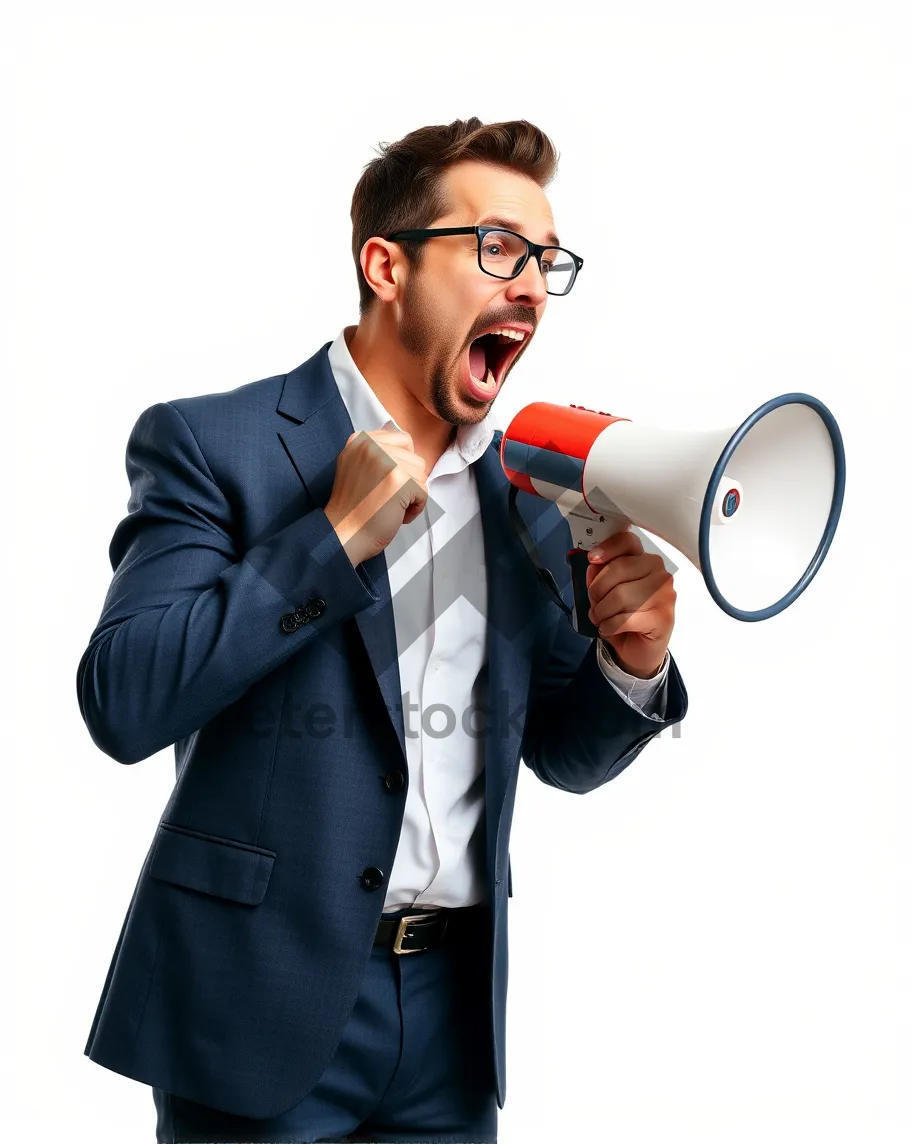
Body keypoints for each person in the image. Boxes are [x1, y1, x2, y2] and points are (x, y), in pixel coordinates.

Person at [78, 117, 688, 1144]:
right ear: (386, 265)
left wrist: (632, 664)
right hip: (254, 1006)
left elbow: (561, 752)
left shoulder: (527, 495)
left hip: (450, 1027)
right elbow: (126, 699)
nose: (532, 284)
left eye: (547, 260)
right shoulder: (212, 444)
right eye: (498, 247)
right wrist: (329, 538)